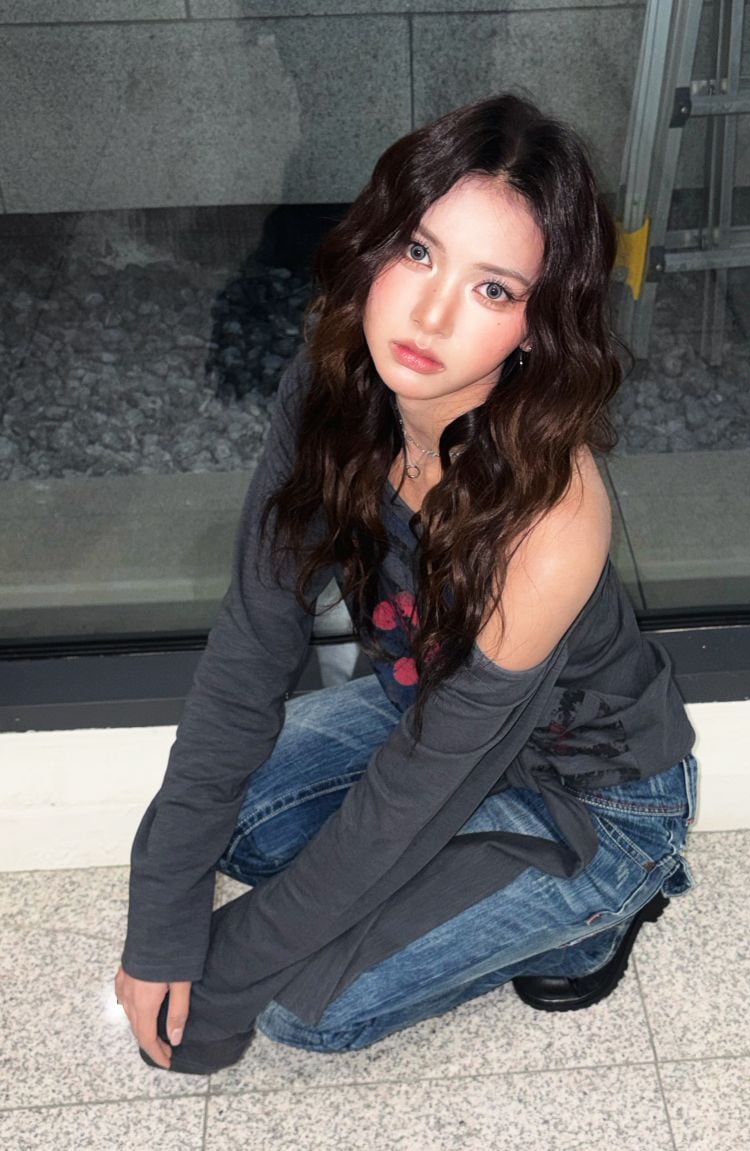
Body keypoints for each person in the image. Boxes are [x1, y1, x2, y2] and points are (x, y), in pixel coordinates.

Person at [115, 92, 698, 1075]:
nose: (429, 314)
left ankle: (598, 911)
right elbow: (249, 651)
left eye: (492, 289)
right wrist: (160, 921)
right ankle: (472, 888)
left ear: (534, 327)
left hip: (593, 798)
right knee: (226, 832)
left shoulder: (550, 522)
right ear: (377, 244)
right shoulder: (334, 386)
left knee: (302, 1008)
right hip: (423, 710)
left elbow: (415, 795)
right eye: (419, 253)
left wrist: (227, 976)